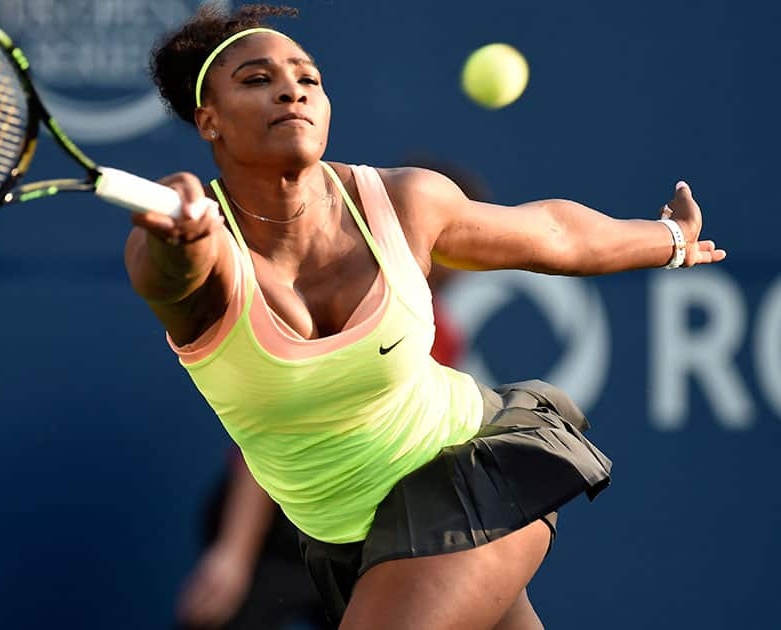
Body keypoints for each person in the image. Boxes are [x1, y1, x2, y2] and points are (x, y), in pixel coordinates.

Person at [128, 4, 727, 628]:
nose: (291, 90)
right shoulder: (186, 252)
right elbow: (170, 272)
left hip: (469, 473)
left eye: (309, 78)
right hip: (354, 536)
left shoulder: (403, 200)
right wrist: (182, 238)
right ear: (210, 121)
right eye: (257, 79)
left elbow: (554, 234)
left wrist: (672, 240)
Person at [175, 159, 483, 630]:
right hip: (275, 527)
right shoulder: (338, 292)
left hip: (360, 531)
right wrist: (235, 555)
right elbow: (276, 440)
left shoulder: (438, 331)